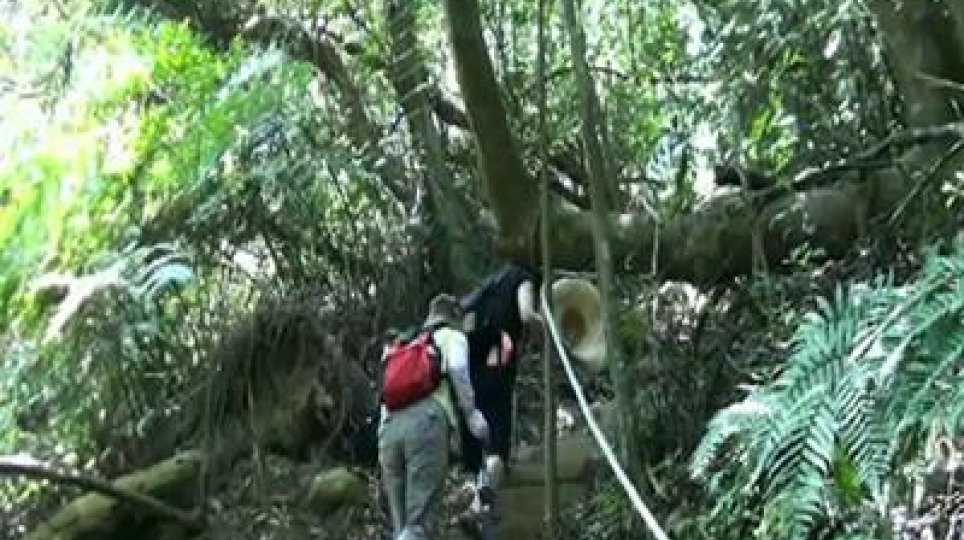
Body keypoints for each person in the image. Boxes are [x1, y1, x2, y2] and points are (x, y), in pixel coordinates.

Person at [377, 293, 490, 540]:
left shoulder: (403, 343)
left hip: (389, 429)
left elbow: (385, 392)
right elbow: (458, 369)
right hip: (426, 424)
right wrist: (472, 416)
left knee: (401, 527)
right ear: (455, 316)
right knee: (419, 525)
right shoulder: (451, 337)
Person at [457, 264, 543, 512]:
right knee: (497, 440)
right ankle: (480, 507)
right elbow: (526, 315)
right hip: (497, 365)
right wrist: (546, 336)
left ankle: (473, 495)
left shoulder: (489, 284)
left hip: (470, 367)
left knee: (475, 440)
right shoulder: (523, 279)